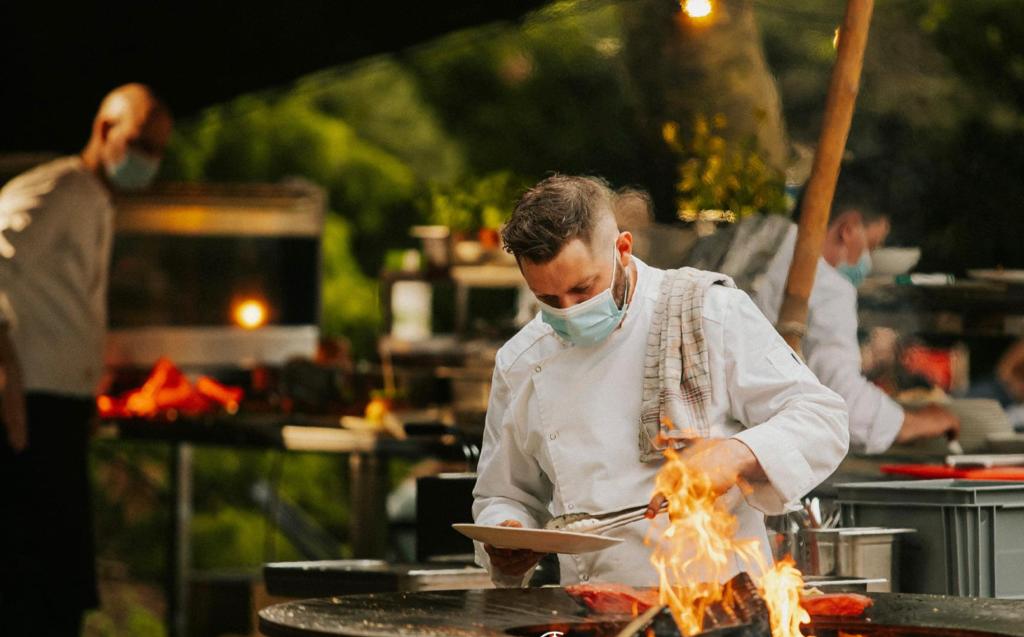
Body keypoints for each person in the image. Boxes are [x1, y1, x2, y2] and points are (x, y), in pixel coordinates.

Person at [472, 175, 849, 587]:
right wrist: (507, 536)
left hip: (718, 610)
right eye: (548, 301)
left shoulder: (708, 311)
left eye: (583, 290)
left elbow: (822, 418)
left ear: (622, 249)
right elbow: (504, 494)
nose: (569, 311)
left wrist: (737, 453)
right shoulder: (521, 361)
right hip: (593, 610)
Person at [0, 83, 173, 635]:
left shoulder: (97, 201)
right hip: (27, 409)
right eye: (141, 144)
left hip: (64, 408)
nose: (149, 160)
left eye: (158, 151)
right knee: (29, 585)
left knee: (61, 588)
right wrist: (4, 373)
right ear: (104, 130)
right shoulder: (54, 189)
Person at [753, 203, 960, 454]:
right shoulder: (827, 286)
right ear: (847, 230)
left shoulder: (751, 238)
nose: (868, 260)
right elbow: (840, 401)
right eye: (871, 246)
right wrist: (915, 423)